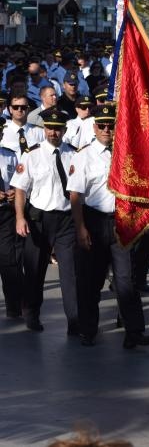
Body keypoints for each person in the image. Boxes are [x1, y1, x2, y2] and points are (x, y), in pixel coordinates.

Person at [68, 104, 149, 349]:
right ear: (94, 127)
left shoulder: (124, 153)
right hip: (93, 221)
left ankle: (134, 332)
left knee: (126, 280)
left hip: (120, 222)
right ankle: (88, 330)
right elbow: (75, 195)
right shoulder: (83, 155)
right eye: (102, 125)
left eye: (111, 125)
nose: (107, 130)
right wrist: (81, 228)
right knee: (91, 280)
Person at [11, 108, 78, 334]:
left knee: (69, 272)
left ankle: (74, 320)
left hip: (66, 220)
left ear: (64, 130)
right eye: (49, 128)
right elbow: (20, 188)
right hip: (39, 219)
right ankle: (31, 313)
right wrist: (20, 217)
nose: (53, 133)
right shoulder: (31, 155)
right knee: (35, 270)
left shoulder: (74, 154)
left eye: (58, 129)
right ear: (43, 129)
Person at [0, 117, 22, 319]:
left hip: (5, 213)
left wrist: (15, 191)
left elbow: (17, 180)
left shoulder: (9, 155)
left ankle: (14, 306)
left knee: (8, 260)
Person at [2, 91, 44, 159]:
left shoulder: (40, 132)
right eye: (15, 107)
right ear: (10, 109)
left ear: (28, 109)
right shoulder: (2, 131)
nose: (19, 110)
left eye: (23, 107)